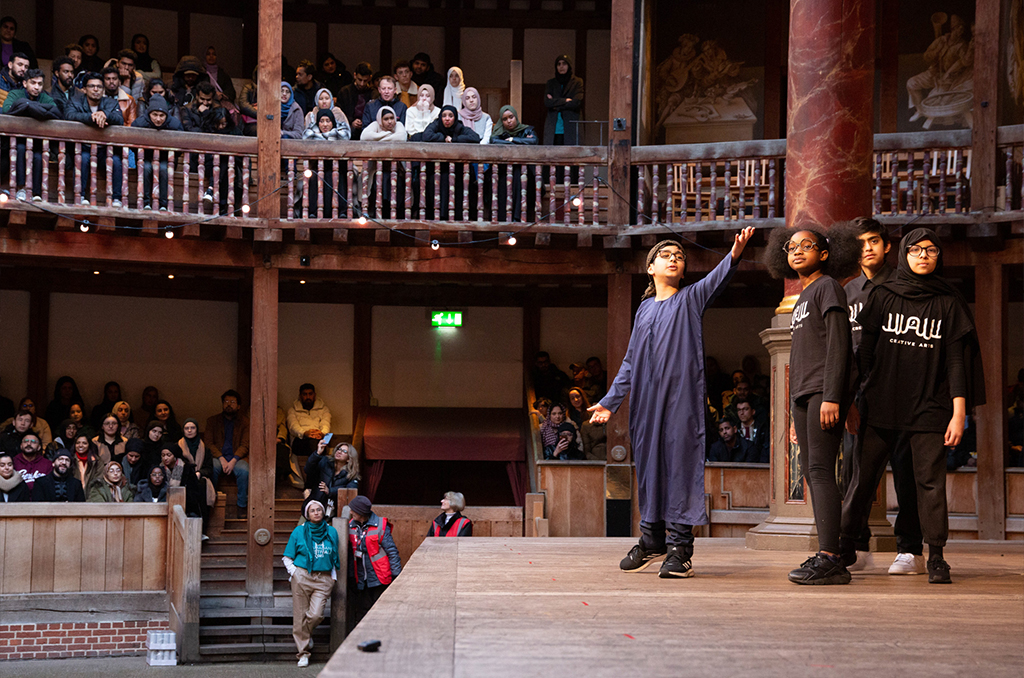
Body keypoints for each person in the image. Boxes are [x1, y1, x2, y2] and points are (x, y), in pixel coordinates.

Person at [589, 228, 755, 578]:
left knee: (679, 468)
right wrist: (609, 402)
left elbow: (715, 280)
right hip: (647, 405)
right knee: (649, 469)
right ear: (650, 267)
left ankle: (680, 547)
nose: (675, 258)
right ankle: (651, 541)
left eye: (679, 256)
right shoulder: (644, 309)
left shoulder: (690, 299)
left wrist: (735, 255)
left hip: (681, 401)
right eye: (666, 254)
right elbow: (631, 361)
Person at [843, 228, 984, 585]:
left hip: (930, 409)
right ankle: (842, 547)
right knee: (861, 481)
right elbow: (865, 354)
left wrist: (959, 413)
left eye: (931, 250)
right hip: (879, 405)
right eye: (916, 249)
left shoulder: (948, 302)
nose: (924, 255)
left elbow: (956, 362)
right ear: (903, 254)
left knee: (930, 485)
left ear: (939, 256)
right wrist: (852, 401)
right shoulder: (883, 296)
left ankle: (934, 555)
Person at [765, 224, 860, 585]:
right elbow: (802, 358)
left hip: (823, 393)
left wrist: (834, 396)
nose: (798, 250)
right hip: (806, 396)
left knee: (820, 472)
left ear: (825, 253)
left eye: (808, 245)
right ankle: (829, 553)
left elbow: (840, 345)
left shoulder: (827, 287)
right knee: (812, 472)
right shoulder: (804, 296)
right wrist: (792, 414)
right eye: (792, 246)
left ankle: (831, 557)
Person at [839, 217, 924, 575]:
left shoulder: (905, 285)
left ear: (888, 246)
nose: (868, 248)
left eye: (874, 241)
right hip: (861, 398)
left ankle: (911, 549)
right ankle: (855, 547)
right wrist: (847, 401)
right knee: (857, 476)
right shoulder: (846, 292)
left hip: (903, 395)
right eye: (861, 243)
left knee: (907, 474)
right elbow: (841, 351)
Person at [283, 499, 341, 668]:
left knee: (315, 614)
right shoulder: (298, 532)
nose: (316, 512)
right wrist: (295, 573)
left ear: (323, 512)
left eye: (319, 510)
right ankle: (303, 653)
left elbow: (334, 555)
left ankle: (305, 634)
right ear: (307, 514)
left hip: (323, 578)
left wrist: (333, 576)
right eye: (312, 510)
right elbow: (287, 557)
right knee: (300, 615)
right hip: (302, 576)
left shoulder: (332, 532)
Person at [347, 495, 401, 625]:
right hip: (359, 578)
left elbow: (392, 552)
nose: (350, 512)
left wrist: (396, 576)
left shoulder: (380, 526)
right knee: (361, 611)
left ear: (361, 512)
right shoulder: (350, 526)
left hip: (379, 577)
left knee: (380, 612)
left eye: (353, 510)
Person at [131, 95, 183, 211]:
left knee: (164, 169)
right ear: (149, 113)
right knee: (146, 168)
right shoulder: (139, 124)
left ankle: (163, 204)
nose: (158, 119)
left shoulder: (174, 125)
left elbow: (180, 147)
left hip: (166, 159)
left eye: (161, 115)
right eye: (155, 115)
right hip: (145, 157)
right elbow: (132, 144)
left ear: (166, 115)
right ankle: (146, 203)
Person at [205, 389, 250, 517]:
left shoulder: (245, 422)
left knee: (244, 471)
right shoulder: (212, 421)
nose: (228, 404)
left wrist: (234, 460)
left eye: (232, 402)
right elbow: (208, 443)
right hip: (218, 457)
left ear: (239, 406)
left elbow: (245, 445)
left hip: (238, 458)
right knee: (211, 468)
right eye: (226, 401)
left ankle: (242, 505)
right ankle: (210, 503)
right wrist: (221, 458)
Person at [306, 439, 360, 516]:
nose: (339, 452)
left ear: (349, 459)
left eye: (344, 451)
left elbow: (350, 492)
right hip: (314, 507)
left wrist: (330, 491)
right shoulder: (324, 461)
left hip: (334, 512)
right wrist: (317, 453)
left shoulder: (351, 475)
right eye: (339, 449)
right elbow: (308, 470)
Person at [544, 55, 584, 146]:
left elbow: (576, 103)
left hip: (571, 126)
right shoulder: (551, 83)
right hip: (554, 126)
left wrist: (555, 103)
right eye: (559, 64)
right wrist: (565, 101)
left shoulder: (577, 82)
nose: (561, 66)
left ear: (569, 65)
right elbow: (547, 102)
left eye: (564, 64)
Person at [287, 384, 332, 459]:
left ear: (314, 395)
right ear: (300, 396)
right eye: (305, 394)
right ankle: (316, 467)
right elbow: (293, 426)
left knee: (318, 443)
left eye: (310, 394)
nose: (308, 397)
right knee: (314, 444)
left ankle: (313, 466)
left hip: (318, 439)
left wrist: (321, 433)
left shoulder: (324, 409)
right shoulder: (293, 410)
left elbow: (326, 423)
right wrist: (305, 433)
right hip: (300, 440)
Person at [337, 62, 374, 140]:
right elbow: (339, 113)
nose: (362, 83)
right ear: (354, 75)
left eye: (365, 81)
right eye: (359, 80)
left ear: (370, 78)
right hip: (347, 128)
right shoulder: (345, 92)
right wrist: (351, 122)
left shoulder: (374, 93)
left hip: (368, 129)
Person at [733, 398, 769, 463]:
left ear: (753, 411)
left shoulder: (763, 429)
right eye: (739, 410)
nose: (742, 413)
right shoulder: (734, 430)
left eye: (745, 409)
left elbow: (766, 449)